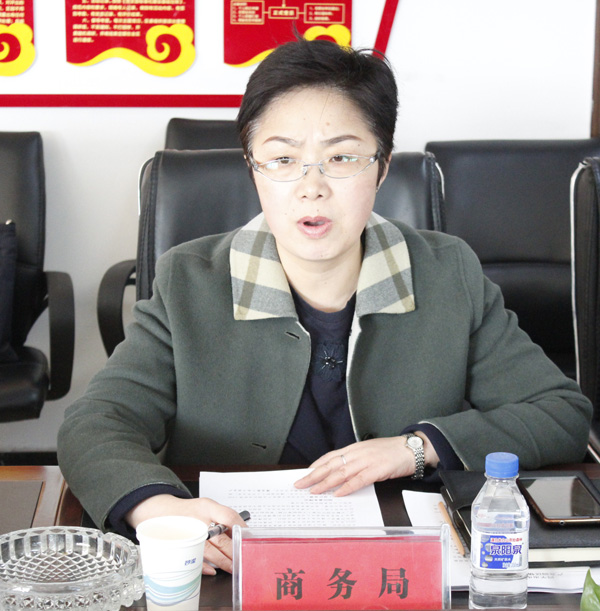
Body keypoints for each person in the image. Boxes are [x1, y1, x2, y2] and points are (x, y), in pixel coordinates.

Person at [57, 37, 592, 576]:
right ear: (253, 169)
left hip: (400, 567)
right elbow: (97, 422)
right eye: (282, 159)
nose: (311, 188)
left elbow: (559, 413)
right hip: (231, 563)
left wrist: (416, 448)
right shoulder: (189, 280)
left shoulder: (445, 272)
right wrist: (158, 510)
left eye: (341, 158)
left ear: (382, 168)